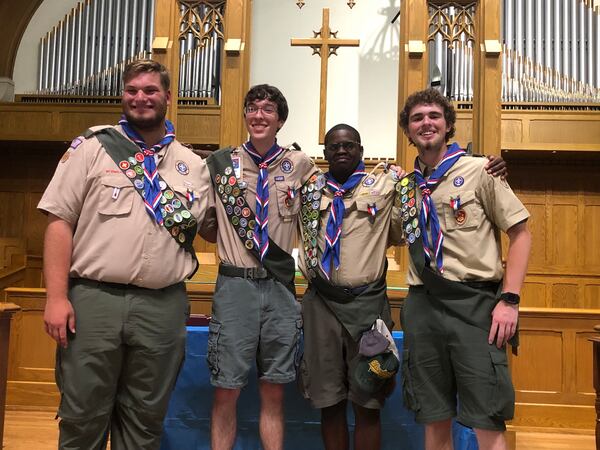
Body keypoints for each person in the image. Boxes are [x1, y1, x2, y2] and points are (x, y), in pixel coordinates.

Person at [296, 123, 507, 450]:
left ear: (361, 151)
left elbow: (429, 184)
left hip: (367, 306)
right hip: (321, 304)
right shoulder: (308, 190)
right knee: (329, 402)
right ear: (323, 153)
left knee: (368, 402)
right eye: (334, 146)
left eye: (349, 145)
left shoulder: (389, 183)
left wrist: (491, 164)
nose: (341, 150)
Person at [39, 59, 214, 450]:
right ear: (123, 95)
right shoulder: (92, 148)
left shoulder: (193, 166)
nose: (140, 98)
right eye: (132, 90)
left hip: (162, 305)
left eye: (150, 90)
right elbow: (58, 222)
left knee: (145, 423)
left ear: (168, 97)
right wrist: (55, 297)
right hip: (93, 301)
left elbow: (215, 228)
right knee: (82, 418)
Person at [397, 88, 531, 450]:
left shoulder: (480, 171)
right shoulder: (406, 189)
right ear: (408, 131)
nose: (426, 123)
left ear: (448, 124)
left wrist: (510, 299)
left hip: (474, 306)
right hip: (423, 306)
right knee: (433, 415)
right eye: (417, 118)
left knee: (486, 416)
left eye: (434, 116)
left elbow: (520, 234)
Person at [205, 84, 319, 450]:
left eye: (267, 109)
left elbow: (326, 209)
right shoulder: (221, 164)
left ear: (280, 120)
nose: (258, 115)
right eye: (252, 108)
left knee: (274, 391)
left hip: (279, 288)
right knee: (227, 391)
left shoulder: (300, 165)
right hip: (235, 286)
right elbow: (200, 219)